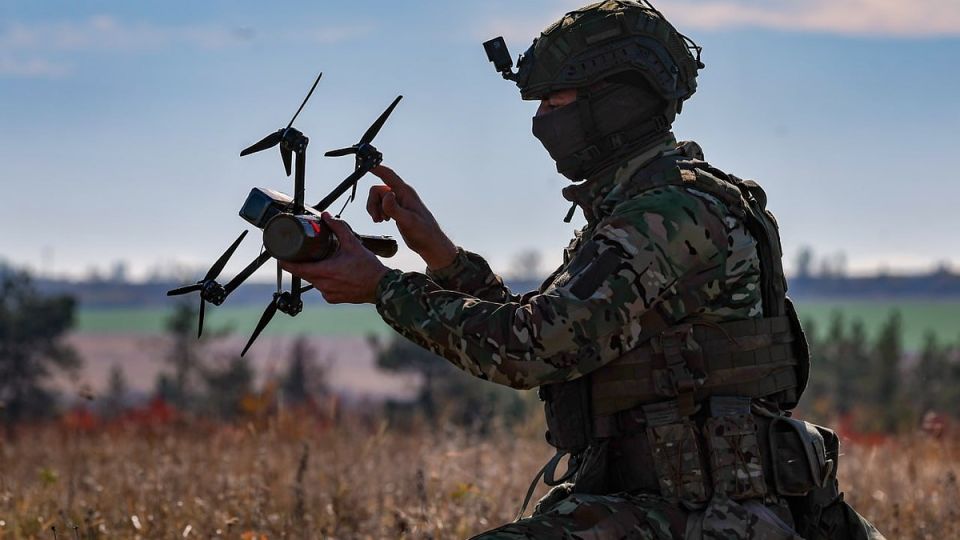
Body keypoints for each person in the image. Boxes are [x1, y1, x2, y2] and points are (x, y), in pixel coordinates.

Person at [281, 1, 885, 538]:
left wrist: (384, 288)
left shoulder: (669, 215)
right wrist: (440, 254)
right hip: (658, 503)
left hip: (710, 515)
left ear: (616, 102)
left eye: (555, 101)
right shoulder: (645, 205)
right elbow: (550, 327)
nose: (541, 120)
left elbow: (531, 348)